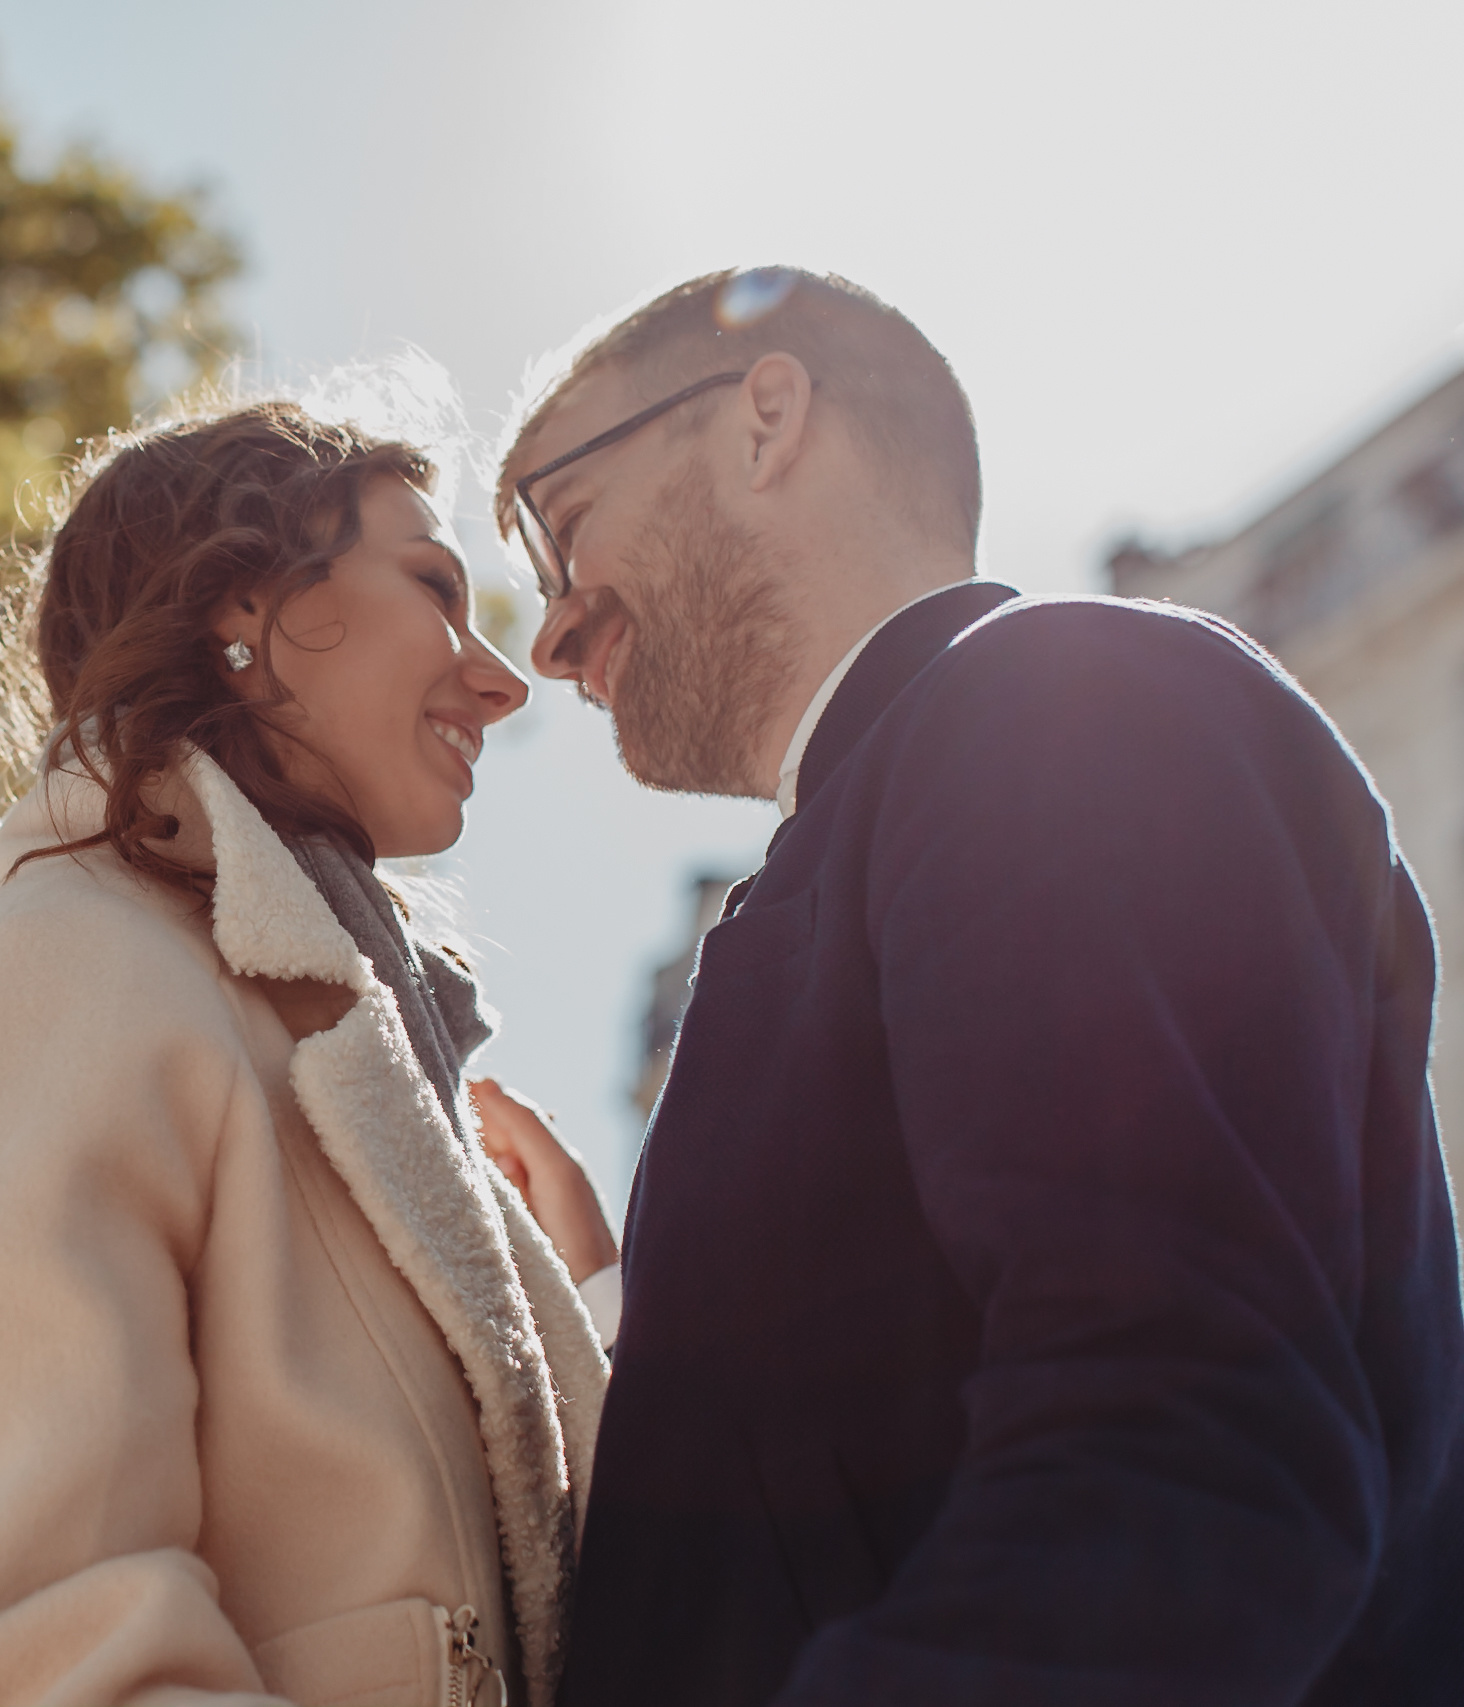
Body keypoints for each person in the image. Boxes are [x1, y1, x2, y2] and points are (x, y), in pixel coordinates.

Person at [483, 265, 1464, 1707]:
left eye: (561, 528)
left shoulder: (1053, 712)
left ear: (764, 417)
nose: (550, 633)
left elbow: (1184, 1463)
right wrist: (638, 1313)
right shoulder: (895, 814)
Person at [0, 399, 623, 1707]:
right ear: (243, 603)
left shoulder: (361, 1075)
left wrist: (593, 1300)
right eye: (436, 586)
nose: (500, 677)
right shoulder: (53, 975)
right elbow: (51, 1654)